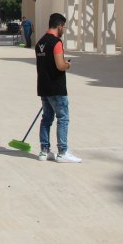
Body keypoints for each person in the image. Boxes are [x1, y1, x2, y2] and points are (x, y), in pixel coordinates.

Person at [35, 12, 81, 163]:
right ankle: (62, 152)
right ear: (59, 26)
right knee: (63, 118)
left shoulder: (40, 43)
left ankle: (44, 151)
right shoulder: (56, 42)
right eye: (64, 27)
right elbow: (60, 65)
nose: (64, 30)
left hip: (44, 87)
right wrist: (68, 64)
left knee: (46, 119)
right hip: (57, 88)